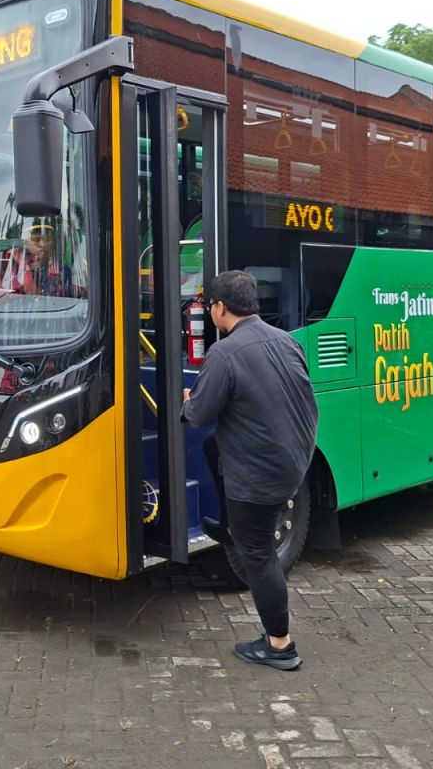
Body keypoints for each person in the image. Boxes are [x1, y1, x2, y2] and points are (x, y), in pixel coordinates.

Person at [181, 270, 318, 671]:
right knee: (213, 447)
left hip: (260, 473)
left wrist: (189, 399)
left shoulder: (224, 353)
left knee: (257, 555)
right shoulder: (286, 340)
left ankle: (280, 645)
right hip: (293, 459)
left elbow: (200, 414)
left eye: (210, 306)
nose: (210, 312)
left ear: (221, 308)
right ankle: (230, 526)